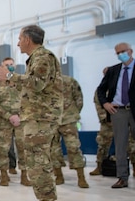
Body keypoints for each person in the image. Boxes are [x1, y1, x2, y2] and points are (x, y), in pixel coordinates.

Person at [0, 25, 63, 201]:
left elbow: (37, 83)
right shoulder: (37, 58)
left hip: (42, 118)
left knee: (39, 162)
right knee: (36, 160)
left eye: (20, 38)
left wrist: (10, 76)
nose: (19, 42)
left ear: (28, 40)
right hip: (36, 117)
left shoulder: (43, 57)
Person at [96, 42, 135, 188]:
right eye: (117, 53)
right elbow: (101, 90)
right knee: (120, 145)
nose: (120, 55)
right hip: (118, 111)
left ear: (130, 51)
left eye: (123, 51)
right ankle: (122, 177)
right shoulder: (113, 71)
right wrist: (105, 103)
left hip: (134, 109)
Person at [0, 57, 28, 187]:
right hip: (4, 122)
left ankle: (24, 175)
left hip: (21, 122)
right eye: (6, 65)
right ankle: (4, 176)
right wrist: (8, 116)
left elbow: (28, 101)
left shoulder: (21, 83)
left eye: (11, 64)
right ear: (2, 67)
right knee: (2, 149)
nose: (9, 66)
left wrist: (20, 116)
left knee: (23, 149)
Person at [51, 75, 89, 188]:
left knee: (74, 147)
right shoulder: (43, 83)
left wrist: (74, 113)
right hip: (51, 120)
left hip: (69, 119)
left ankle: (81, 177)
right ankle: (58, 175)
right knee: (53, 150)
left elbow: (79, 98)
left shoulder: (69, 81)